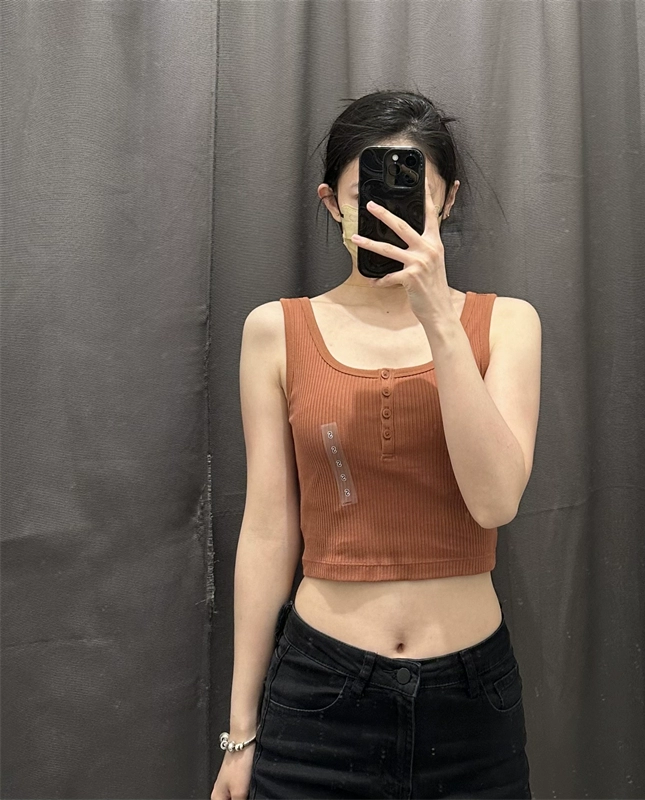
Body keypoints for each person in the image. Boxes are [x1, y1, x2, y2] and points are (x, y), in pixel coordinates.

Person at [211, 89, 541, 800]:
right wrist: (241, 733)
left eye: (410, 193)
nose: (388, 214)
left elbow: (494, 502)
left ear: (447, 201)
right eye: (368, 195)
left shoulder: (507, 324)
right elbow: (268, 530)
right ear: (333, 203)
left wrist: (440, 320)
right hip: (319, 692)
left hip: (471, 702)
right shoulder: (275, 331)